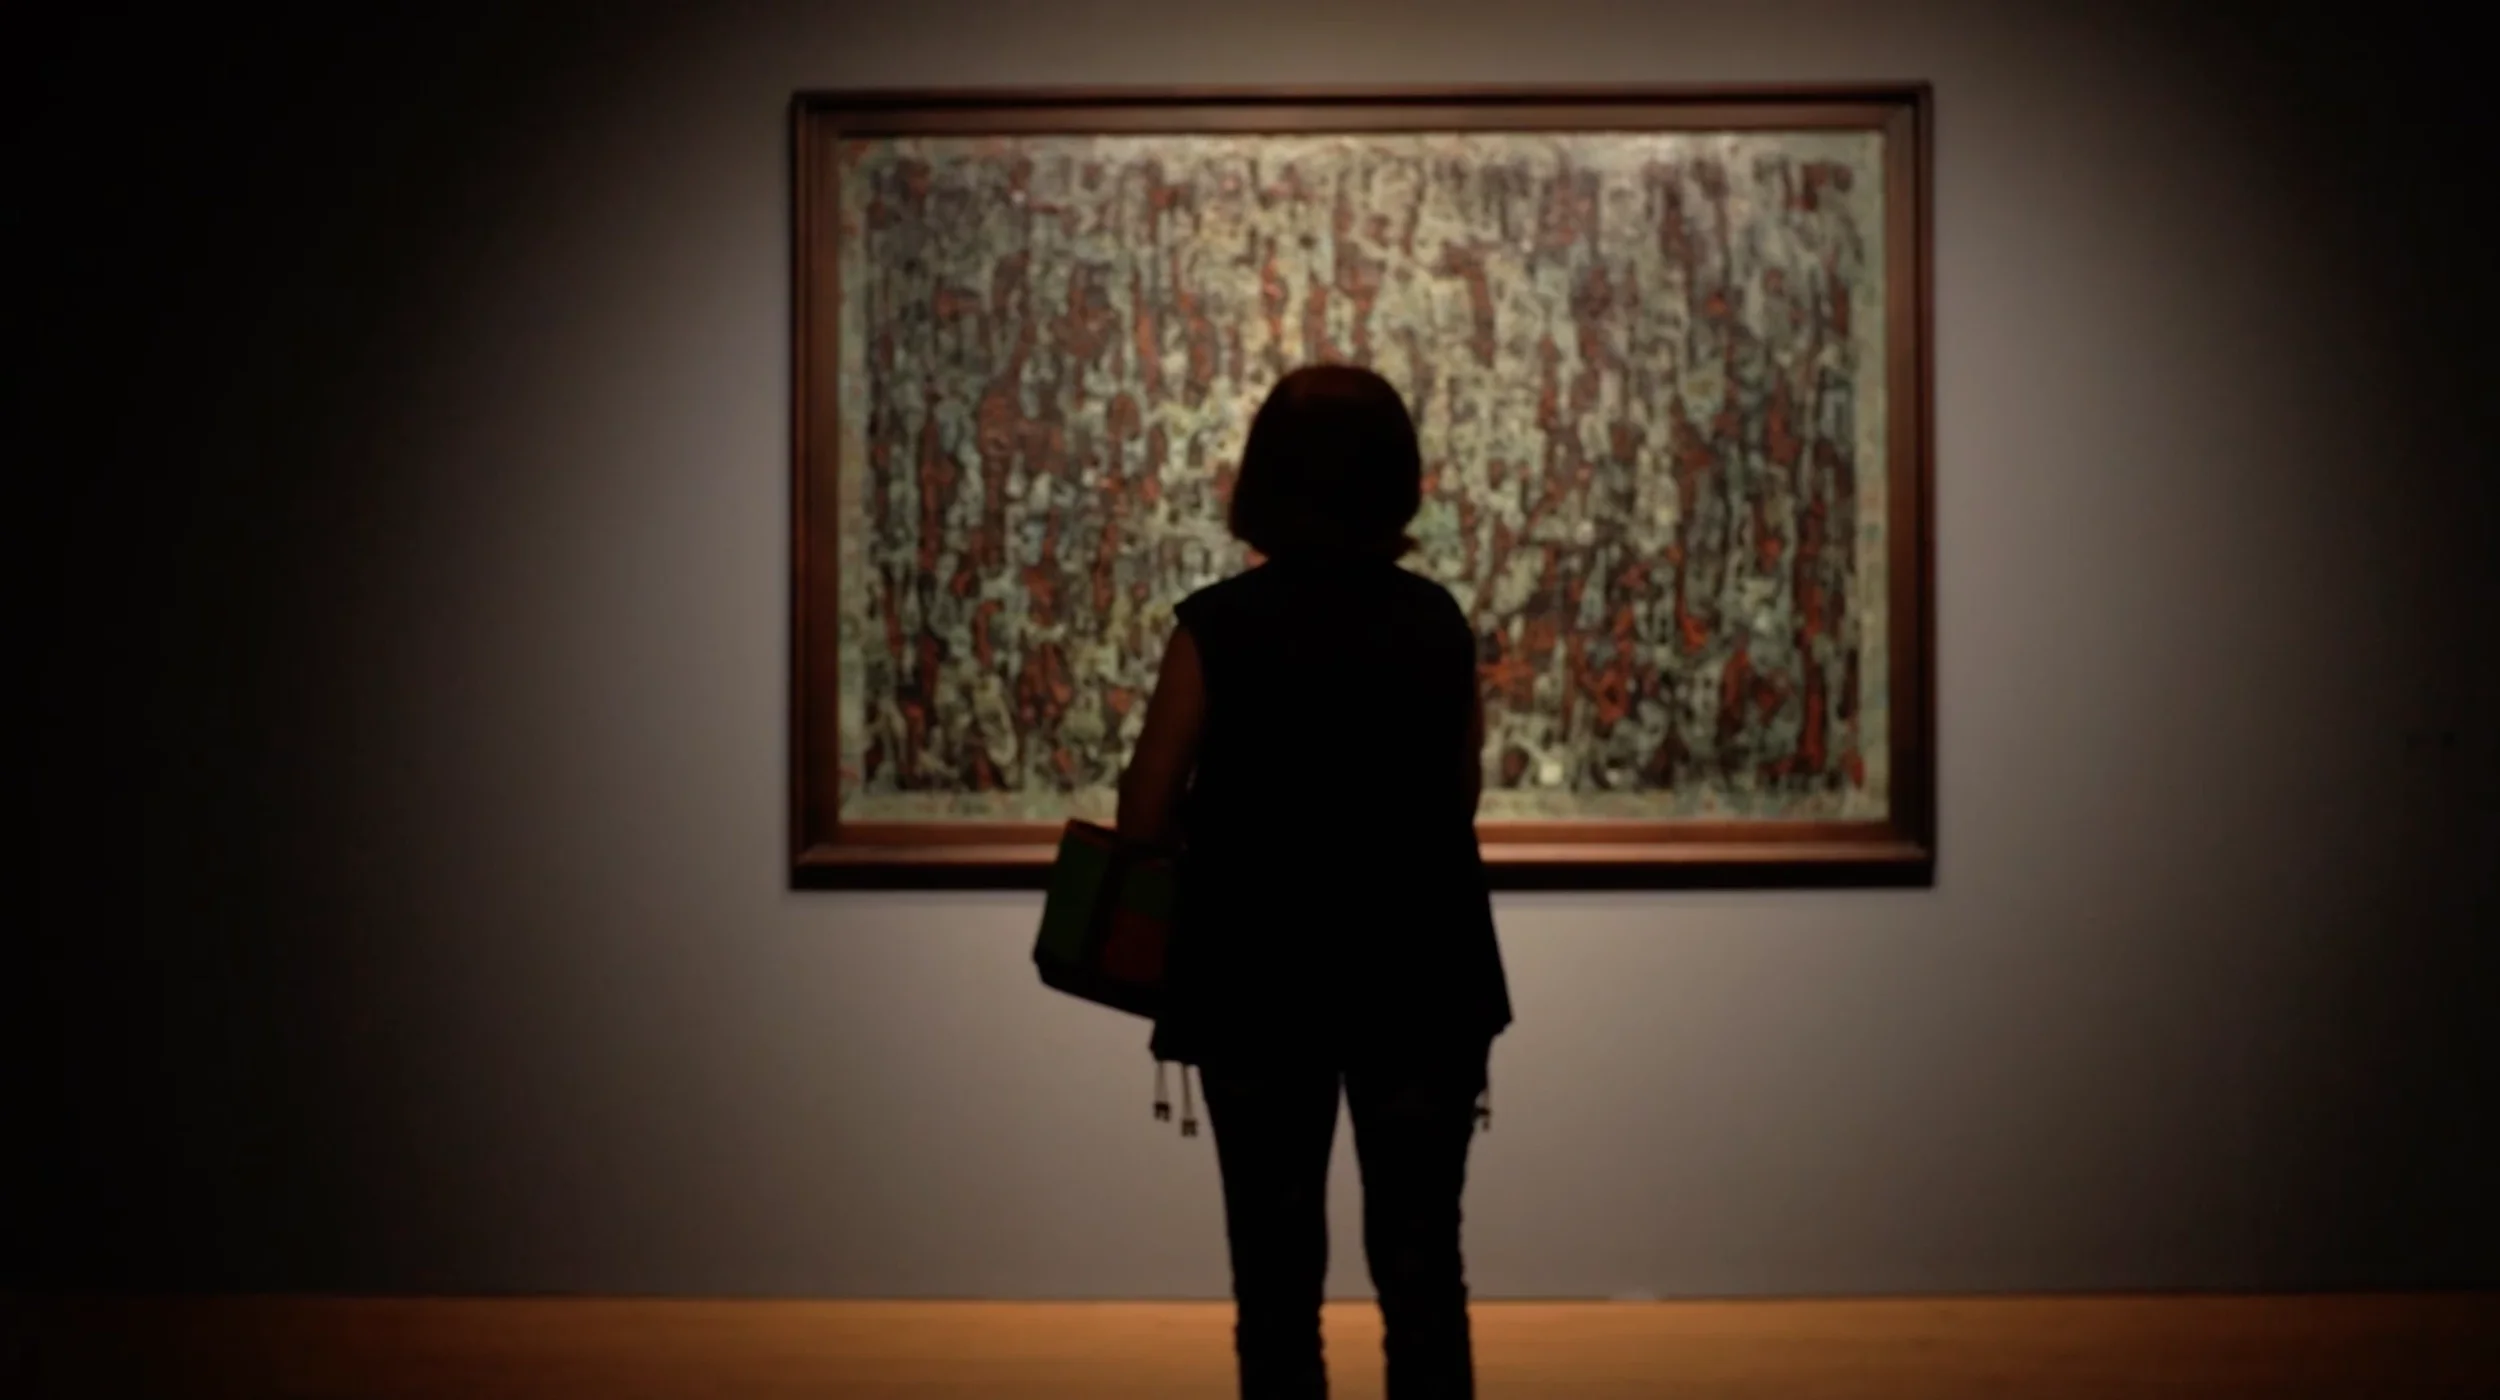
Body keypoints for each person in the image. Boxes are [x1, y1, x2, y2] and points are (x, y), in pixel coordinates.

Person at [1116, 363, 1514, 1399]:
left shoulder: (1214, 627)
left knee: (1275, 1276)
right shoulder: (1435, 622)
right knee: (1423, 1273)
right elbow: (1458, 798)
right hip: (1420, 976)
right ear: (1396, 481)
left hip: (1255, 979)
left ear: (1264, 480)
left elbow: (1143, 813)